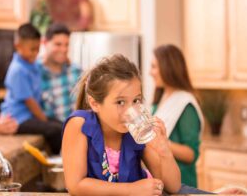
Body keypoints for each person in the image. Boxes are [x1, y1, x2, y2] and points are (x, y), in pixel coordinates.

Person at [62, 54, 181, 195]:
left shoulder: (136, 130)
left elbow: (173, 187)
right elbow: (75, 185)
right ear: (94, 103)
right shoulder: (79, 125)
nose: (130, 111)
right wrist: (131, 190)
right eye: (120, 102)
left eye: (136, 101)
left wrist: (164, 150)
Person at [0, 23, 81, 154]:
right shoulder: (27, 68)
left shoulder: (75, 71)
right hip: (22, 119)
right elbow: (20, 102)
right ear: (46, 43)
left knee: (61, 125)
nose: (63, 50)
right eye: (58, 44)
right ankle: (59, 157)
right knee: (56, 129)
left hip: (73, 134)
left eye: (66, 45)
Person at [150, 44, 204, 187]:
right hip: (161, 182)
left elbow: (191, 154)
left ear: (168, 67)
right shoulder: (161, 97)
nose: (150, 72)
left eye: (154, 66)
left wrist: (161, 143)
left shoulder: (186, 105)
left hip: (182, 184)